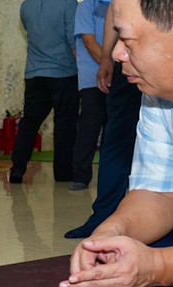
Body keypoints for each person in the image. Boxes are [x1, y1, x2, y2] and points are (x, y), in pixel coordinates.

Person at [58, 0, 173, 287]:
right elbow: (159, 194)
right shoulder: (160, 93)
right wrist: (109, 235)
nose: (116, 53)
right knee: (135, 250)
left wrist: (157, 267)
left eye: (125, 37)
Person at [63, 2, 143, 239]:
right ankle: (104, 217)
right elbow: (114, 10)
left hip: (158, 56)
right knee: (116, 139)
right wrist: (108, 58)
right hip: (129, 66)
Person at [9, 0, 79, 184]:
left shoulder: (26, 5)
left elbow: (27, 29)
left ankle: (17, 169)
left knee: (29, 123)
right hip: (64, 72)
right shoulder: (68, 4)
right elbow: (74, 42)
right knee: (65, 124)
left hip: (34, 73)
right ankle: (63, 173)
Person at [69, 0, 110, 192]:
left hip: (117, 79)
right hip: (92, 80)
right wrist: (109, 66)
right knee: (89, 129)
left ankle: (113, 175)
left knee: (115, 131)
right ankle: (81, 177)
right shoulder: (86, 7)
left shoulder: (120, 5)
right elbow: (89, 42)